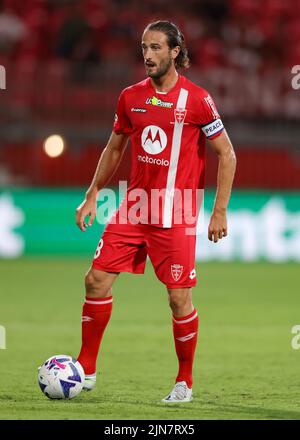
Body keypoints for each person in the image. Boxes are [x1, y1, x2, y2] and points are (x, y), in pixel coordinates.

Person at [75, 20, 236, 403]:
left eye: (156, 48)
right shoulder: (130, 96)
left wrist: (219, 211)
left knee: (179, 299)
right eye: (143, 48)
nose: (147, 55)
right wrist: (93, 192)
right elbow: (115, 147)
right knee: (95, 280)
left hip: (176, 213)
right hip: (133, 206)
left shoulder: (197, 99)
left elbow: (227, 153)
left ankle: (184, 382)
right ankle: (86, 370)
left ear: (175, 51)